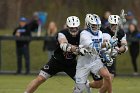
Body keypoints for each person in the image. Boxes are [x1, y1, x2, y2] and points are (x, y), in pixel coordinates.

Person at [24, 16, 89, 93]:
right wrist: (77, 49)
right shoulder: (61, 33)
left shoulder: (83, 34)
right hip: (56, 61)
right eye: (71, 28)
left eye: (75, 27)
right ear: (67, 26)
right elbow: (63, 45)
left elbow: (89, 44)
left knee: (83, 83)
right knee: (40, 78)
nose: (74, 30)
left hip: (71, 63)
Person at [73, 14, 113, 93]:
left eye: (98, 25)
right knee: (79, 89)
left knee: (107, 76)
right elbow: (92, 46)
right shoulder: (84, 34)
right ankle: (84, 86)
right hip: (84, 63)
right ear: (88, 24)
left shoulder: (100, 33)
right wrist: (106, 44)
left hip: (95, 61)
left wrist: (106, 56)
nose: (96, 27)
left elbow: (101, 49)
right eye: (94, 25)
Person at [88, 15, 128, 92]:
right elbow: (105, 41)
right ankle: (86, 85)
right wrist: (110, 44)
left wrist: (120, 49)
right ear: (109, 24)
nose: (114, 26)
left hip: (111, 58)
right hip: (101, 57)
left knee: (108, 81)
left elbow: (124, 45)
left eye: (116, 24)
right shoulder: (104, 31)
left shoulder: (122, 32)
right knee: (103, 81)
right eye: (113, 24)